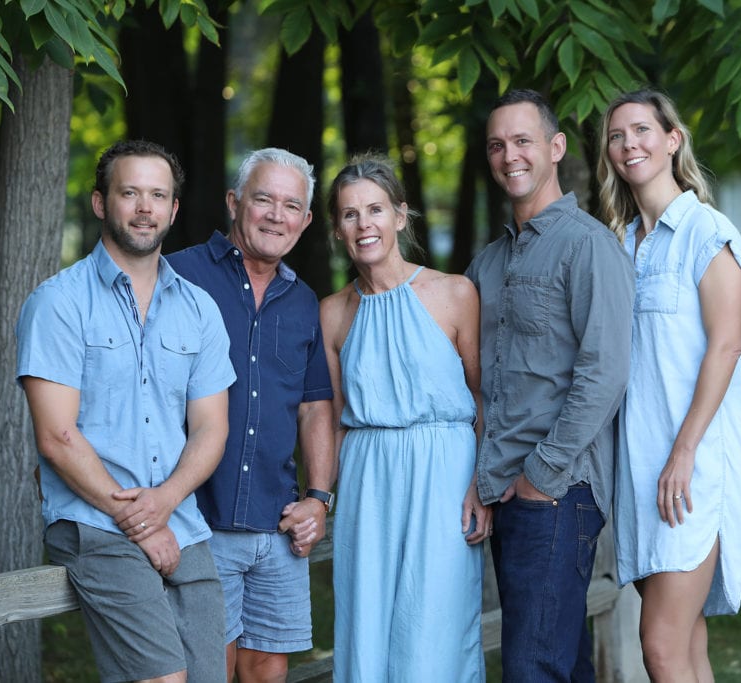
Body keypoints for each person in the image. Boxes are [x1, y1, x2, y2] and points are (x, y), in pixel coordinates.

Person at [16, 140, 235, 683]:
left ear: (173, 210)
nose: (144, 207)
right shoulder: (59, 303)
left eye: (157, 195)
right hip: (94, 527)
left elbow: (212, 427)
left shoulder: (199, 308)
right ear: (99, 203)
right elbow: (57, 436)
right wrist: (139, 520)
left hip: (181, 522)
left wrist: (165, 502)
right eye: (129, 192)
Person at [465, 89, 635, 681]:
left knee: (533, 666)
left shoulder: (589, 246)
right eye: (496, 145)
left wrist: (542, 474)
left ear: (555, 148)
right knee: (558, 659)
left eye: (522, 141)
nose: (509, 155)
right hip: (504, 490)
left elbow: (605, 371)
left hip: (557, 490)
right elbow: (471, 381)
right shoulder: (486, 265)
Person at [165, 148, 335, 683]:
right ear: (235, 202)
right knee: (208, 671)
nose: (275, 215)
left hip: (277, 524)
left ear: (305, 221)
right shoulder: (178, 276)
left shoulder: (304, 301)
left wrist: (319, 497)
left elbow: (313, 408)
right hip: (197, 521)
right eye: (263, 199)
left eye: (291, 206)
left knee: (268, 671)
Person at [597, 89, 741, 683]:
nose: (629, 144)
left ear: (671, 139)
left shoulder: (706, 232)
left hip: (689, 470)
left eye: (641, 130)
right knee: (686, 645)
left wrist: (683, 451)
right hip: (639, 471)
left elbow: (726, 346)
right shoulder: (622, 244)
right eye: (616, 135)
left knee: (657, 645)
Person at [320, 153, 491, 681]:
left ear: (400, 215)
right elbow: (331, 416)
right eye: (350, 215)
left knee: (435, 627)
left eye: (374, 209)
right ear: (337, 230)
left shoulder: (454, 293)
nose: (363, 224)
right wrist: (323, 495)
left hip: (444, 475)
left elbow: (483, 397)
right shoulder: (332, 313)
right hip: (368, 478)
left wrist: (481, 486)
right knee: (365, 625)